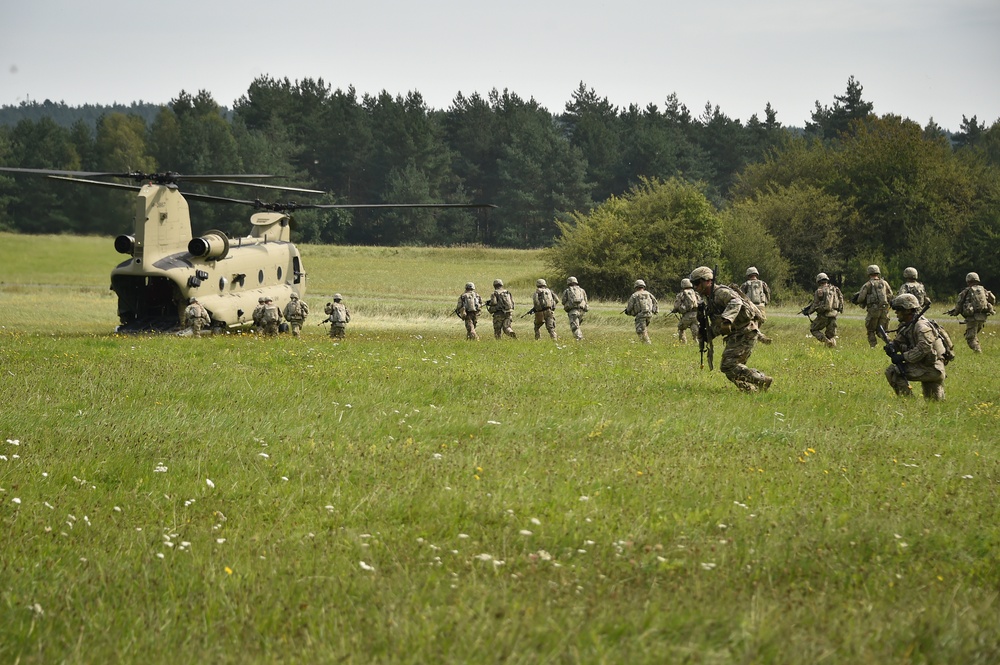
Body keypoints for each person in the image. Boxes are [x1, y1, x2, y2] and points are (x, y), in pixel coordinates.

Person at [690, 266, 772, 392]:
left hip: (745, 332)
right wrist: (708, 335)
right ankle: (751, 390)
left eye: (696, 283)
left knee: (728, 365)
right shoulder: (709, 298)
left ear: (707, 281)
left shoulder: (720, 292)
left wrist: (727, 320)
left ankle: (762, 380)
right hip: (737, 334)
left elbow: (736, 302)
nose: (695, 287)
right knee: (731, 369)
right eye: (693, 284)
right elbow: (718, 323)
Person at [884, 293, 946, 400]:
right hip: (926, 367)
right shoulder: (908, 325)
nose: (896, 313)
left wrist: (903, 357)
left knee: (893, 372)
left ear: (908, 310)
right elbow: (899, 342)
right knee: (934, 405)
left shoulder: (921, 326)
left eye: (899, 310)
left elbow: (924, 347)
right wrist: (892, 347)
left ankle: (909, 403)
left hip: (932, 368)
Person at [944, 272, 996, 352]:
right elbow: (992, 300)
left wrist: (955, 313)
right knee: (973, 335)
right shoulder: (983, 290)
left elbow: (959, 304)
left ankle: (978, 352)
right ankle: (978, 350)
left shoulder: (966, 291)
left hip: (972, 318)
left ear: (968, 281)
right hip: (983, 317)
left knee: (970, 338)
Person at [854, 264, 893, 348]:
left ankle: (873, 347)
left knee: (871, 330)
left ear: (869, 273)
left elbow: (861, 298)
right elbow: (890, 295)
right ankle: (890, 343)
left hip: (873, 311)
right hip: (885, 310)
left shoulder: (867, 285)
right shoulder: (884, 283)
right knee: (882, 331)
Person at [802, 273, 843, 347]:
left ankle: (826, 341)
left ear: (818, 281)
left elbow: (815, 304)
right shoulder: (835, 289)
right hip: (834, 314)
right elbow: (841, 300)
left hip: (823, 315)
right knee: (831, 335)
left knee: (813, 329)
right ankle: (832, 348)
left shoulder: (819, 291)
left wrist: (808, 312)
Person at [740, 267, 773, 344]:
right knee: (759, 321)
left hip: (750, 306)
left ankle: (755, 336)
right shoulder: (763, 283)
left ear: (748, 275)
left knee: (750, 322)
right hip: (761, 306)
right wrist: (766, 302)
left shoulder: (745, 284)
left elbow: (740, 295)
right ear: (756, 274)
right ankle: (758, 336)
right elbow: (767, 293)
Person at [624, 279, 658, 344]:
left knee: (640, 330)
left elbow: (630, 306)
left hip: (641, 315)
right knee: (644, 329)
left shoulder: (634, 295)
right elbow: (655, 302)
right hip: (649, 314)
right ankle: (645, 344)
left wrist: (627, 311)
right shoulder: (649, 294)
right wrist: (655, 311)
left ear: (636, 286)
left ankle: (647, 344)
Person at [670, 278, 700, 344]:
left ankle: (683, 342)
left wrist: (675, 310)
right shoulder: (695, 293)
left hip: (687, 315)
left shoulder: (681, 294)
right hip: (696, 315)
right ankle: (697, 342)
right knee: (695, 330)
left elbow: (677, 305)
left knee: (681, 328)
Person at [560, 276, 588, 341]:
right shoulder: (582, 290)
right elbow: (586, 300)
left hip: (573, 311)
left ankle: (579, 339)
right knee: (578, 326)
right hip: (582, 311)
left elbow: (563, 301)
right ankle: (579, 337)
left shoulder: (567, 291)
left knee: (575, 327)